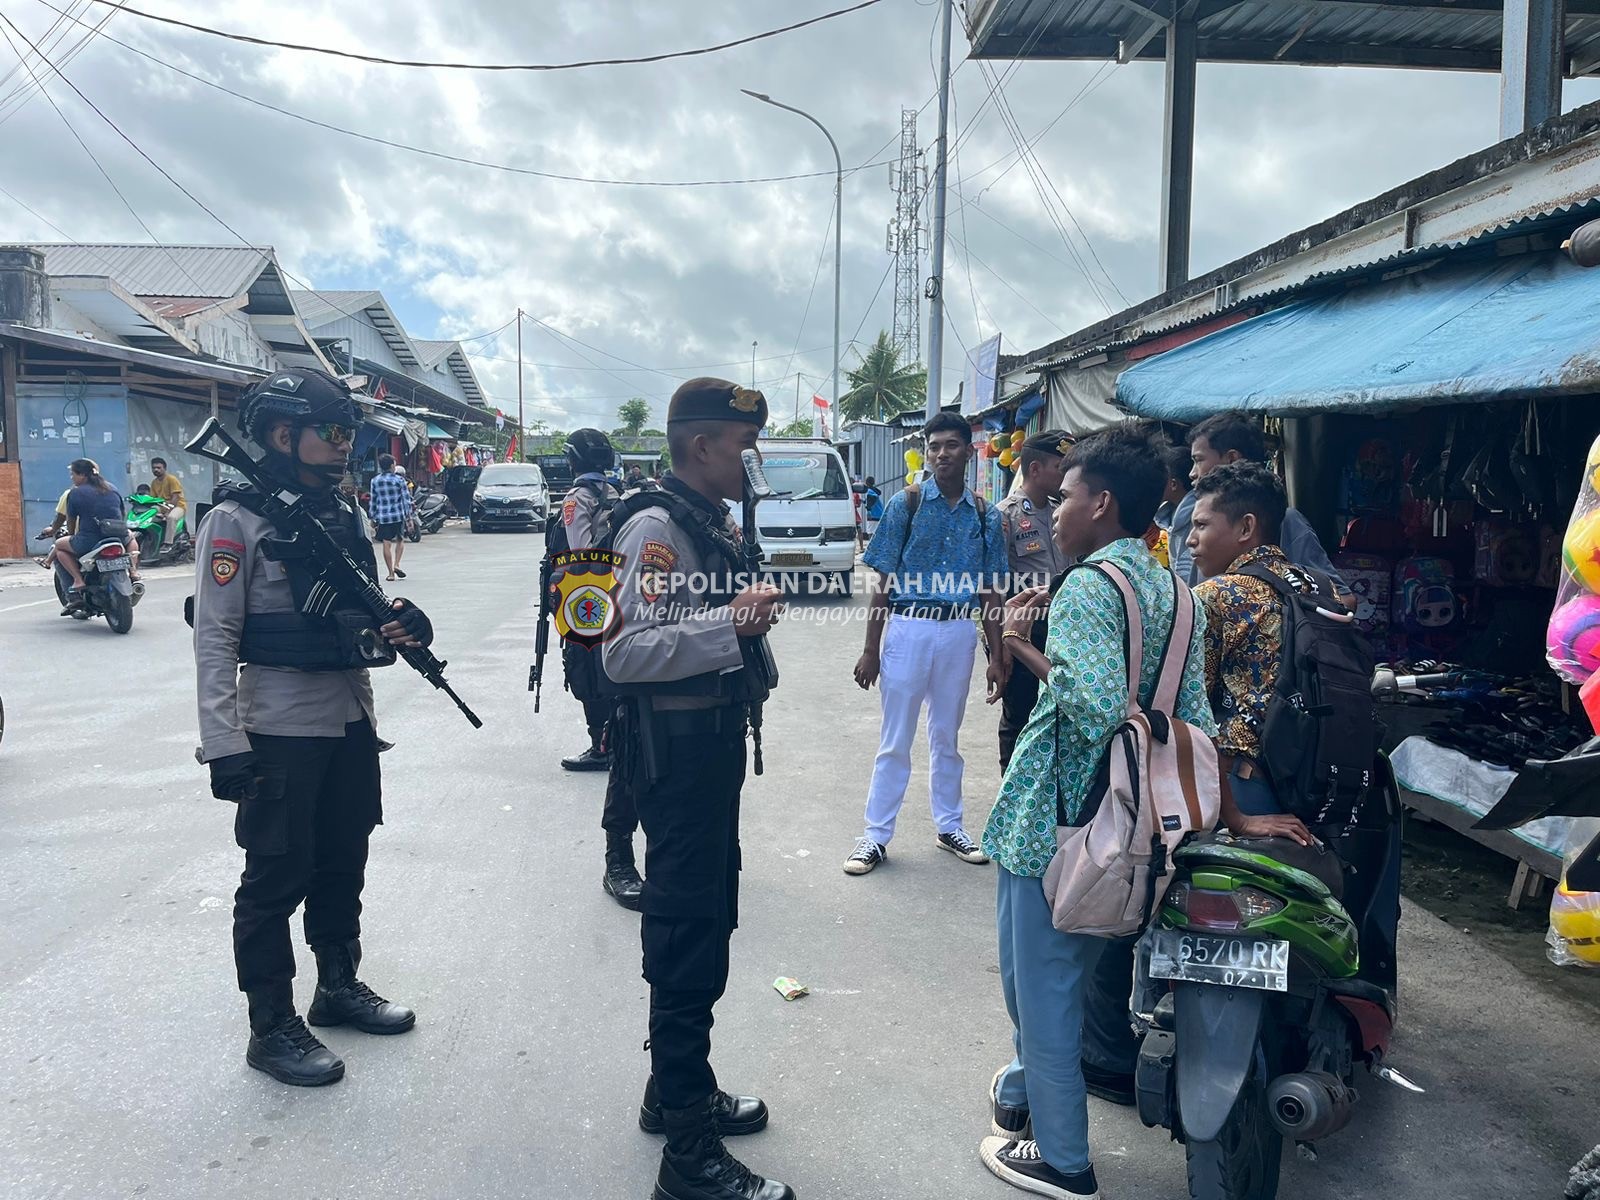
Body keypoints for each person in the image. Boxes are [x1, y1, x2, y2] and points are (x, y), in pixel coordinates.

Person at [977, 427, 1216, 1199]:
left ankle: (1062, 1160)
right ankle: (1022, 1092)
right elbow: (1195, 720)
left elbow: (1089, 704)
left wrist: (1021, 642)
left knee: (1038, 994)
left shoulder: (1085, 586)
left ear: (1102, 503)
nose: (1053, 511)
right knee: (1066, 978)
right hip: (1134, 831)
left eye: (1066, 496)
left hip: (1059, 825)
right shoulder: (1178, 594)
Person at [193, 367, 434, 1088]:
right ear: (278, 434)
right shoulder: (233, 521)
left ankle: (337, 987)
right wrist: (223, 744)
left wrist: (403, 622)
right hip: (277, 728)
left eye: (349, 432)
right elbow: (213, 638)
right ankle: (271, 1027)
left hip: (349, 717)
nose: (344, 445)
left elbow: (358, 612)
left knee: (342, 862)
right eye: (333, 431)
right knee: (274, 879)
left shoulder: (341, 512)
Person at [601, 377, 792, 1200]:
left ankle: (674, 1090)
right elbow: (622, 654)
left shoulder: (707, 520)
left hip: (708, 751)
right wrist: (732, 624)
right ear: (705, 445)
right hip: (675, 762)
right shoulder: (654, 529)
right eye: (743, 445)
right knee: (684, 936)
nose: (750, 461)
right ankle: (688, 1157)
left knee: (709, 916)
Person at [1188, 463, 1398, 987]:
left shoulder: (1220, 597)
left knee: (1205, 927)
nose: (1189, 541)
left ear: (1245, 528)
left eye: (1201, 525)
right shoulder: (1326, 593)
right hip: (1318, 785)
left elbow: (1194, 713)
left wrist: (1234, 818)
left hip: (1245, 789)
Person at [846, 412, 1008, 876]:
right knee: (895, 738)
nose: (941, 454)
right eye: (934, 446)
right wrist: (871, 649)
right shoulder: (906, 503)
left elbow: (991, 590)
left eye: (951, 446)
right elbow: (883, 581)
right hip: (908, 627)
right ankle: (874, 836)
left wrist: (997, 656)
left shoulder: (985, 514)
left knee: (947, 738)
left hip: (958, 631)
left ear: (968, 451)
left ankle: (949, 826)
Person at [552, 428, 645, 912]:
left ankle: (600, 741)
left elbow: (581, 550)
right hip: (617, 601)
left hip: (586, 596)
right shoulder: (617, 491)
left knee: (588, 677)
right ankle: (605, 737)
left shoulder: (577, 498)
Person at [1168, 411, 1342, 587]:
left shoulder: (1284, 519)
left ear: (1232, 458)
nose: (1192, 473)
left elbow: (1341, 598)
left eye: (1199, 460)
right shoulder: (1190, 517)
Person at [991, 431, 1074, 770]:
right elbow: (994, 589)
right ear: (1036, 469)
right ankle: (1011, 786)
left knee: (1057, 715)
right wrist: (999, 649)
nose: (1067, 475)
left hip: (1062, 629)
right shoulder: (1004, 516)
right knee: (1019, 715)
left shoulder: (1062, 511)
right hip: (1025, 631)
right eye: (1061, 467)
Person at [52, 459, 126, 611]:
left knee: (59, 548)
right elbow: (122, 514)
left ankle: (78, 582)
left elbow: (70, 521)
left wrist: (71, 537)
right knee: (132, 539)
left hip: (89, 540)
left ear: (83, 475)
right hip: (118, 537)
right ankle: (133, 572)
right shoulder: (112, 488)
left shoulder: (75, 493)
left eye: (73, 474)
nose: (72, 478)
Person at [368, 454, 413, 582]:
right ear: (392, 465)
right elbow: (406, 500)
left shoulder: (375, 481)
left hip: (383, 517)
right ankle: (397, 565)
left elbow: (373, 500)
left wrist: (372, 517)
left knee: (386, 544)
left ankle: (390, 574)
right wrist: (409, 518)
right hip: (398, 516)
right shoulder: (399, 481)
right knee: (400, 540)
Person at [148, 456, 187, 552]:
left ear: (164, 468)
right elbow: (154, 500)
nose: (156, 470)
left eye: (158, 468)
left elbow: (175, 497)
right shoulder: (154, 483)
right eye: (154, 468)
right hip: (162, 507)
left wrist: (167, 512)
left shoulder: (171, 479)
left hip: (178, 506)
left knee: (171, 518)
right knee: (150, 513)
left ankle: (168, 544)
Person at [859, 476, 883, 550]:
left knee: (870, 531)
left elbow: (871, 500)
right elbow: (871, 500)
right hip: (879, 513)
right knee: (876, 530)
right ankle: (877, 546)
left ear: (866, 483)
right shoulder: (874, 491)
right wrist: (863, 501)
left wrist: (868, 509)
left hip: (873, 514)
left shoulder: (869, 492)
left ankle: (871, 547)